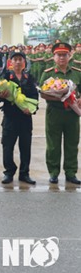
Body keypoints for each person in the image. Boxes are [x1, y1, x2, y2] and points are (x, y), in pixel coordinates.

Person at [39, 42, 81, 185]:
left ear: (70, 56)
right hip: (54, 113)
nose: (62, 58)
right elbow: (42, 93)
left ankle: (71, 172)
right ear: (54, 56)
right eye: (59, 55)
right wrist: (58, 96)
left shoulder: (77, 72)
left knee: (72, 143)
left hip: (72, 114)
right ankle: (53, 172)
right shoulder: (48, 73)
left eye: (65, 55)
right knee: (53, 145)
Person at [0, 51, 38, 185]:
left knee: (25, 147)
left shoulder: (29, 77)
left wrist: (31, 109)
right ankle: (9, 172)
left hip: (25, 118)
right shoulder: (6, 76)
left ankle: (24, 173)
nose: (18, 62)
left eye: (21, 59)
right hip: (10, 118)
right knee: (7, 147)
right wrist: (1, 95)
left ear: (24, 62)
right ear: (11, 62)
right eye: (15, 59)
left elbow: (35, 97)